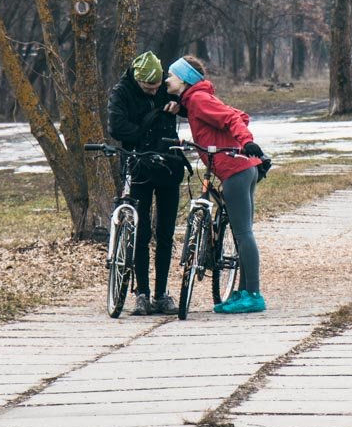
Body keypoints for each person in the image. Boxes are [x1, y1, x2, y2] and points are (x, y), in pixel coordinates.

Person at [165, 54, 268, 314]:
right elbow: (239, 115)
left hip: (236, 170)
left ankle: (253, 295)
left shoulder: (198, 100)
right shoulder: (195, 101)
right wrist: (184, 111)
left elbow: (233, 119)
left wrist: (246, 142)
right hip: (241, 169)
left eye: (171, 75)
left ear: (185, 79)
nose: (167, 79)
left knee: (243, 233)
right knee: (241, 231)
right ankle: (243, 292)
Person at [107, 51, 184, 316]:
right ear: (137, 80)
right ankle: (142, 293)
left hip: (168, 164)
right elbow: (116, 126)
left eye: (157, 87)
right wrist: (147, 129)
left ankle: (162, 294)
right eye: (148, 88)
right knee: (141, 233)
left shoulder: (167, 86)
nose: (154, 91)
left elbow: (189, 101)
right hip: (138, 164)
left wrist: (178, 106)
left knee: (165, 233)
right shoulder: (122, 92)